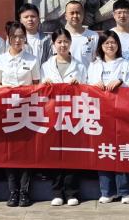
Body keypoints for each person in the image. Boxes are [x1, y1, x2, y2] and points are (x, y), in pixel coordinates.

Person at [0, 21, 40, 207]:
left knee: (26, 152)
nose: (18, 40)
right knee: (10, 153)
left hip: (27, 111)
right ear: (8, 38)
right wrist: (6, 89)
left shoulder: (32, 60)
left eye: (21, 37)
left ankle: (25, 192)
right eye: (14, 37)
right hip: (7, 111)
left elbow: (37, 86)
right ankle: (13, 191)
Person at [88, 30, 129, 205]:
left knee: (122, 150)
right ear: (101, 46)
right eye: (106, 43)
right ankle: (107, 191)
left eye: (113, 42)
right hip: (100, 115)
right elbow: (86, 86)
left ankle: (126, 190)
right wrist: (94, 86)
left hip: (121, 114)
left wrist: (121, 82)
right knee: (104, 151)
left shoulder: (125, 64)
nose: (110, 46)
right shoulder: (94, 65)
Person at [41, 28, 86, 206]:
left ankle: (71, 192)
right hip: (53, 115)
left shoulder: (80, 66)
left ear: (70, 43)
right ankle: (57, 192)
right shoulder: (46, 66)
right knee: (54, 153)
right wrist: (45, 84)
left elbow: (88, 89)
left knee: (72, 153)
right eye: (59, 42)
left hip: (73, 116)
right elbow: (40, 91)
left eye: (66, 41)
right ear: (53, 44)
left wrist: (79, 85)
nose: (62, 45)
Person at [63, 1, 99, 67]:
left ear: (83, 15)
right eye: (72, 13)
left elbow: (97, 61)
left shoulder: (94, 36)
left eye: (78, 13)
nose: (75, 16)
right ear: (66, 16)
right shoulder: (60, 37)